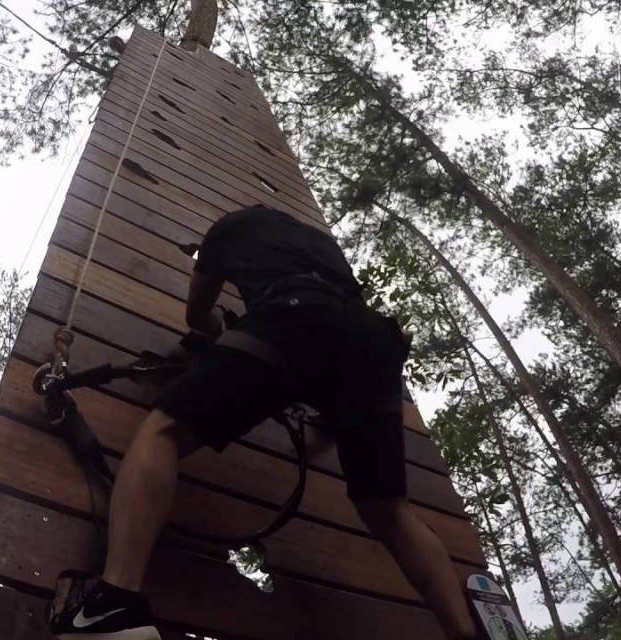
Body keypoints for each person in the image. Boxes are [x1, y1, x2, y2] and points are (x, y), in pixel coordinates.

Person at [50, 205, 476, 640]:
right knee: (389, 510)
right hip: (374, 343)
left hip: (291, 314)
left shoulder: (227, 230)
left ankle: (114, 602)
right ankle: (465, 633)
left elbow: (198, 317)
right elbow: (334, 344)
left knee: (163, 432)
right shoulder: (323, 245)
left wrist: (224, 333)